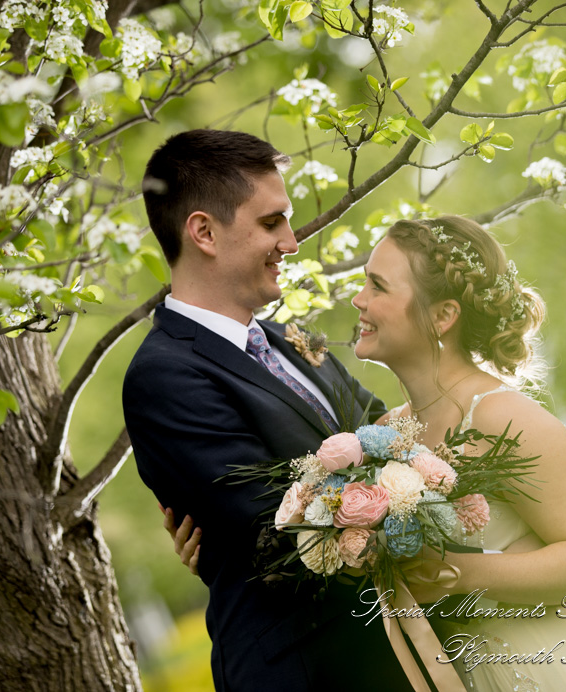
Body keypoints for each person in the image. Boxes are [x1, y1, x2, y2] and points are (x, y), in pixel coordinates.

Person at [123, 129, 423, 691]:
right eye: (271, 222)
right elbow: (280, 528)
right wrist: (409, 477)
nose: (291, 240)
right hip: (305, 669)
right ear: (204, 232)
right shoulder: (163, 378)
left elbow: (395, 434)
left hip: (385, 646)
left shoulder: (291, 337)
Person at [349, 215, 566, 690]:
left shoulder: (502, 417)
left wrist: (453, 574)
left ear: (443, 316)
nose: (359, 299)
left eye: (378, 286)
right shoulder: (386, 434)